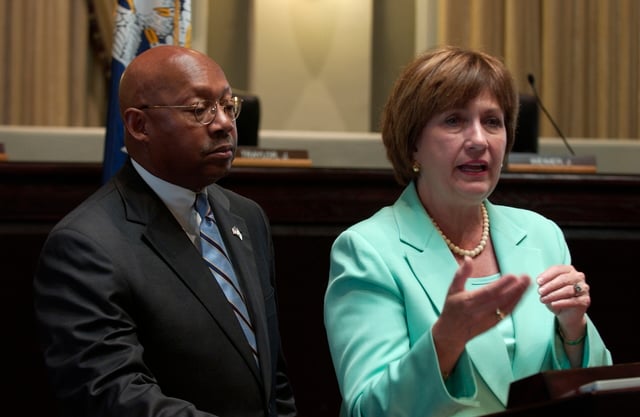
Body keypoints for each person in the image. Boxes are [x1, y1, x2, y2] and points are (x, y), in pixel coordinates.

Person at [323, 45, 611, 417]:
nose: (479, 140)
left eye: (492, 121)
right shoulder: (367, 249)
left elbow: (597, 391)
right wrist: (445, 342)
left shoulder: (541, 235)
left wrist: (574, 329)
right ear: (413, 143)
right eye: (455, 121)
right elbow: (368, 409)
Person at [33, 45, 297, 417]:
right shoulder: (85, 246)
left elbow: (272, 375)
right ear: (139, 125)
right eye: (199, 110)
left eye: (227, 105)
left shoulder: (245, 216)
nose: (223, 123)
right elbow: (113, 394)